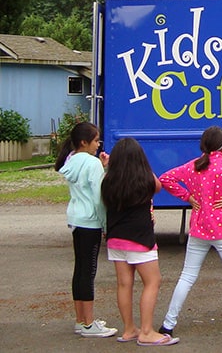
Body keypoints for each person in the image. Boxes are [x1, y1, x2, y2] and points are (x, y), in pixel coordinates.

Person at [158, 126, 222, 338]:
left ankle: (168, 324)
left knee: (187, 277)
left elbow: (165, 178)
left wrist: (187, 197)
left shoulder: (194, 166)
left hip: (199, 229)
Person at [101, 138, 179, 346]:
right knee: (153, 281)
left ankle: (129, 329)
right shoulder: (145, 181)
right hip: (139, 239)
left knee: (124, 284)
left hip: (116, 239)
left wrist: (109, 166)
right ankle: (146, 331)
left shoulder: (108, 181)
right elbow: (159, 185)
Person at [56, 121, 118, 338]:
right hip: (90, 221)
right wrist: (105, 224)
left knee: (80, 269)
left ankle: (81, 320)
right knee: (89, 271)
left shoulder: (72, 160)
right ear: (84, 142)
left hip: (76, 219)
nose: (98, 144)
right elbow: (99, 197)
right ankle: (89, 324)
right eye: (95, 140)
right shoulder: (91, 163)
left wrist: (100, 166)